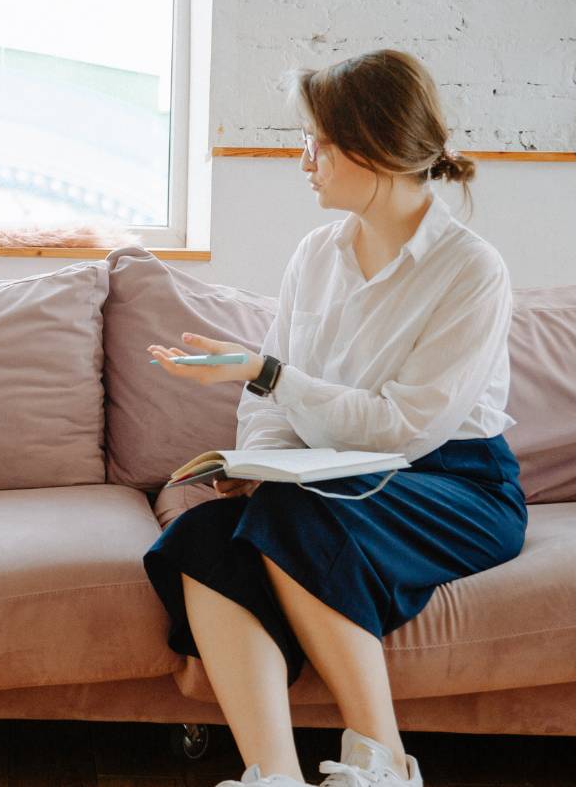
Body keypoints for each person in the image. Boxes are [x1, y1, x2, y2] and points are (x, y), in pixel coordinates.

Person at [144, 51, 527, 787]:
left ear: (371, 146)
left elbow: (402, 427)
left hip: (454, 484)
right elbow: (266, 405)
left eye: (315, 141)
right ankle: (275, 775)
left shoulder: (472, 272)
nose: (303, 160)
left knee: (295, 512)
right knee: (197, 536)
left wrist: (269, 375)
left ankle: (382, 761)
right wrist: (255, 466)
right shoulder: (315, 255)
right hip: (322, 477)